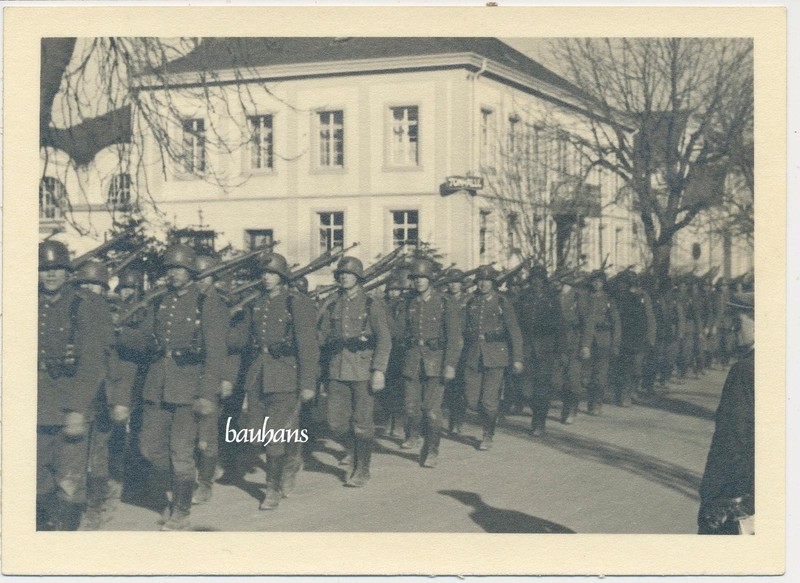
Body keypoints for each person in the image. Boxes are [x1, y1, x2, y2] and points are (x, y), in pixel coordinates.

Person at [138, 244, 229, 530]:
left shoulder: (206, 302)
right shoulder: (160, 300)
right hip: (158, 385)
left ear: (190, 271)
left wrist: (207, 393)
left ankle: (181, 511)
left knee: (181, 452)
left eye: (179, 268)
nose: (174, 273)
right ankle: (178, 492)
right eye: (170, 269)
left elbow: (216, 352)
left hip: (190, 387)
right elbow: (145, 338)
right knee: (149, 448)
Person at [37, 241, 114, 530]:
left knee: (69, 482)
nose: (50, 274)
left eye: (57, 268)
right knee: (36, 478)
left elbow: (93, 363)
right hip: (35, 404)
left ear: (68, 272)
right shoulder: (26, 301)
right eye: (45, 269)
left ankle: (65, 541)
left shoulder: (86, 304)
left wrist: (77, 408)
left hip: (70, 403)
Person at [241, 253, 319, 509]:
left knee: (274, 433)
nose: (266, 277)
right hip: (258, 374)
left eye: (272, 273)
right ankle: (291, 458)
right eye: (264, 273)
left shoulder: (295, 303)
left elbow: (308, 346)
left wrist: (308, 383)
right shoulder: (257, 303)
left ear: (282, 277)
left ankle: (271, 489)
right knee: (258, 433)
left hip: (285, 374)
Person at [318, 256, 392, 487]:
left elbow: (384, 339)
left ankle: (362, 468)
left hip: (362, 370)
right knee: (335, 423)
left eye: (349, 274)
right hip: (336, 369)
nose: (344, 277)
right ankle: (352, 449)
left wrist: (379, 370)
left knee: (362, 422)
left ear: (358, 278)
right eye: (341, 274)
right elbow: (321, 336)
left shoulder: (371, 303)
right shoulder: (332, 304)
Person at [73, 260, 133, 530]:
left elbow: (116, 358)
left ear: (104, 287)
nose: (89, 289)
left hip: (105, 390)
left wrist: (119, 397)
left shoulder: (113, 311)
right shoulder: (72, 310)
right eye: (84, 284)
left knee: (101, 451)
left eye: (94, 285)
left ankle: (98, 505)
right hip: (77, 389)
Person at [698, 292, 754, 535]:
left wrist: (713, 495)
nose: (732, 329)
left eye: (738, 322)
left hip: (741, 492)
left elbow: (732, 440)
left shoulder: (745, 371)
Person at [396, 259, 462, 468]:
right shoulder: (408, 303)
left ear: (430, 279)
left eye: (423, 278)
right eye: (415, 278)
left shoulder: (444, 302)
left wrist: (450, 364)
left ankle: (431, 449)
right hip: (412, 361)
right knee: (410, 408)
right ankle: (414, 435)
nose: (419, 281)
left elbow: (454, 338)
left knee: (431, 410)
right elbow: (399, 332)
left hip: (436, 362)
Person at [462, 265, 523, 450]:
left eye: (487, 281)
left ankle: (488, 434)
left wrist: (518, 358)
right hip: (473, 355)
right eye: (480, 281)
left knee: (488, 400)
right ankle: (491, 416)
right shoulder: (471, 302)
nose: (483, 284)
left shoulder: (502, 302)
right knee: (472, 400)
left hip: (496, 356)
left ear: (493, 283)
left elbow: (514, 332)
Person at [515, 266, 560, 436]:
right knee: (526, 389)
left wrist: (560, 350)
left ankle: (539, 421)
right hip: (526, 347)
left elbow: (560, 326)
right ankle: (536, 413)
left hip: (545, 348)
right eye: (534, 279)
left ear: (544, 281)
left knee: (542, 387)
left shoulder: (551, 299)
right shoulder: (524, 298)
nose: (536, 282)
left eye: (540, 279)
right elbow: (516, 323)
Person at [613, 270, 656, 407]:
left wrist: (651, 336)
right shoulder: (618, 296)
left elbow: (649, 316)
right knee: (624, 366)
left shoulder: (643, 296)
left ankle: (631, 390)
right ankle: (623, 394)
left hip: (639, 336)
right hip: (623, 335)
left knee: (637, 366)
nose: (625, 285)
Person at [583, 270, 620, 414]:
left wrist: (615, 343)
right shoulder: (585, 298)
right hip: (585, 339)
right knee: (586, 374)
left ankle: (596, 403)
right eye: (594, 281)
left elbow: (616, 322)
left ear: (604, 283)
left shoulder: (609, 299)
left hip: (603, 339)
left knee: (600, 374)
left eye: (600, 281)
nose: (597, 284)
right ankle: (589, 399)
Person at [443, 269, 470, 435]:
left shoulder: (469, 300)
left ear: (462, 284)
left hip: (466, 345)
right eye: (450, 282)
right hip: (448, 345)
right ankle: (452, 420)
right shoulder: (443, 299)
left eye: (456, 282)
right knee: (448, 386)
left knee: (461, 384)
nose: (453, 285)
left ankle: (458, 419)